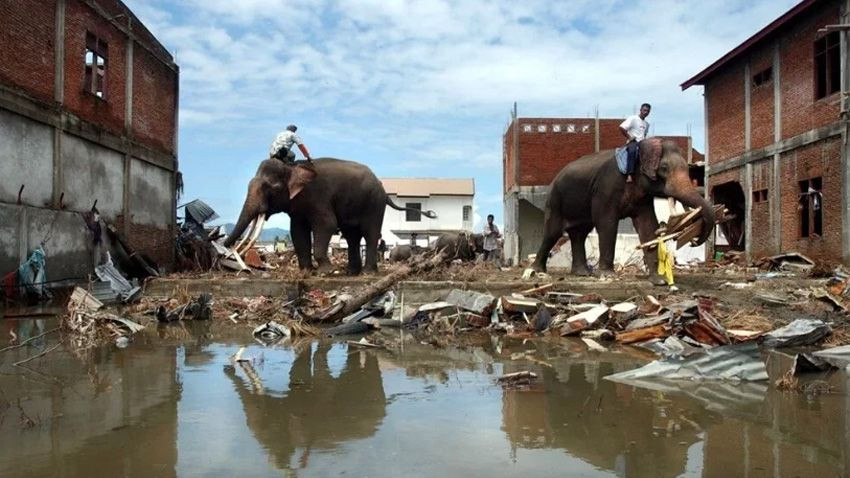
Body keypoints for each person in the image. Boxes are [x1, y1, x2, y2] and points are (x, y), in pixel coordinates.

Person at [619, 103, 651, 183]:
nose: (646, 112)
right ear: (640, 110)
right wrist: (629, 137)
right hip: (633, 142)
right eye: (644, 110)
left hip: (642, 143)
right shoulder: (633, 118)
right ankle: (629, 175)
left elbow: (644, 134)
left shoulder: (647, 124)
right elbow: (621, 127)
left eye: (647, 111)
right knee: (632, 151)